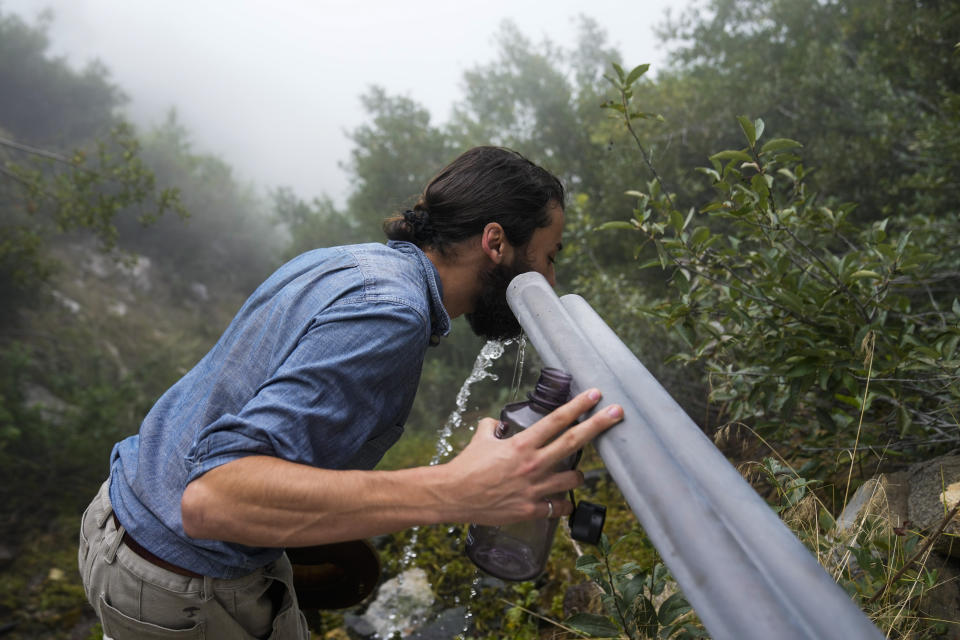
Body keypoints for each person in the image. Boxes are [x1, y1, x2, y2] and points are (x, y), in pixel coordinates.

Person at [77, 146, 623, 639]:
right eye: (549, 256)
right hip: (179, 581)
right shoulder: (390, 313)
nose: (549, 282)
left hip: (122, 515)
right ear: (496, 242)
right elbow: (212, 499)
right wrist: (457, 489)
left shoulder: (353, 264)